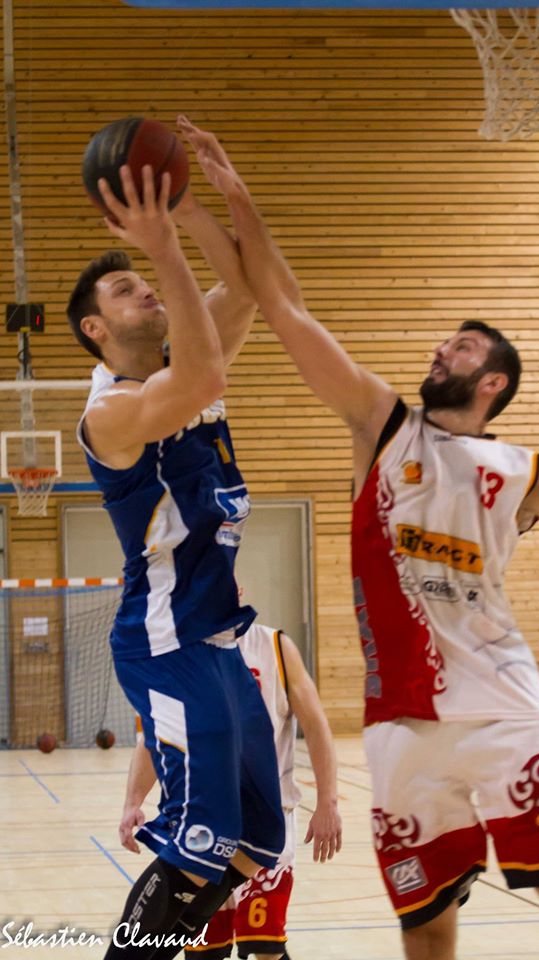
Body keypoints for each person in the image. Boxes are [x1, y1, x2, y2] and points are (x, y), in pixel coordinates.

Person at [176, 116, 539, 960]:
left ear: (491, 380)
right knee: (425, 927)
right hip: (399, 729)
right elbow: (282, 306)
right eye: (442, 339)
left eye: (459, 346)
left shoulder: (521, 471)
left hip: (503, 706)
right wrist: (224, 200)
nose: (440, 348)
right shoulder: (381, 428)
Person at [67, 143, 285, 959]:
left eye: (145, 276)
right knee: (196, 842)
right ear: (95, 328)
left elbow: (255, 286)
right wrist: (161, 242)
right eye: (125, 289)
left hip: (220, 641)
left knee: (251, 844)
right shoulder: (112, 415)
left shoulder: (180, 358)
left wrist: (209, 206)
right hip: (165, 643)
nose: (148, 286)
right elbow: (195, 383)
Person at [120, 619, 342, 960]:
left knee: (265, 944)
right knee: (203, 951)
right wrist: (133, 801)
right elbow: (153, 737)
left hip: (267, 820)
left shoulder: (275, 647)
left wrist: (327, 802)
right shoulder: (179, 652)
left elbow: (316, 725)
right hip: (204, 823)